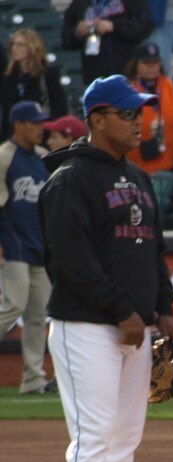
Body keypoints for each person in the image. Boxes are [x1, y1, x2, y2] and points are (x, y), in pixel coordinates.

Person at [39, 75, 173, 462]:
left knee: (124, 438)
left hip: (134, 330)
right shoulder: (70, 179)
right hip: (86, 327)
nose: (138, 121)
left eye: (139, 112)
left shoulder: (138, 176)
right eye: (127, 113)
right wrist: (122, 309)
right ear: (97, 119)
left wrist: (164, 307)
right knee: (94, 435)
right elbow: (71, 261)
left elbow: (154, 250)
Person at [0, 101, 54, 395]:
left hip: (40, 248)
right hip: (14, 246)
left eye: (42, 122)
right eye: (34, 122)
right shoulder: (4, 156)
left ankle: (33, 379)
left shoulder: (43, 157)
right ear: (18, 124)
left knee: (37, 317)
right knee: (13, 307)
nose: (40, 127)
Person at [125, 42, 173, 175]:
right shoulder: (126, 90)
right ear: (136, 64)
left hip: (172, 167)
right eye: (146, 63)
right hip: (137, 169)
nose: (152, 66)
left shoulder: (171, 86)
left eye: (155, 62)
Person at [62, 0, 153, 86]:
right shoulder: (80, 3)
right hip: (95, 77)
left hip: (127, 75)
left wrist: (114, 26)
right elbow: (66, 39)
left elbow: (145, 26)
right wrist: (78, 33)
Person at [0, 29, 68, 142]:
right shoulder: (9, 77)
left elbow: (59, 108)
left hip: (42, 135)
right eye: (13, 45)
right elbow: (6, 113)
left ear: (31, 47)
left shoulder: (47, 74)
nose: (14, 48)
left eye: (19, 45)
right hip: (15, 137)